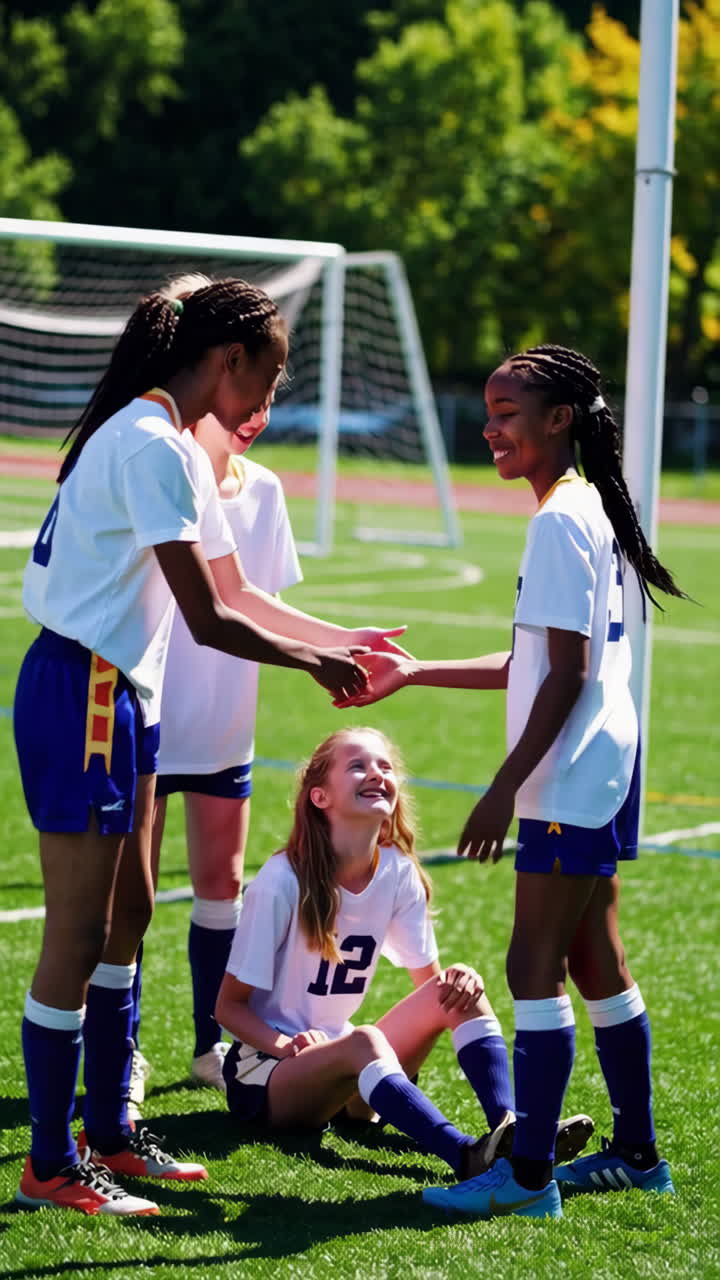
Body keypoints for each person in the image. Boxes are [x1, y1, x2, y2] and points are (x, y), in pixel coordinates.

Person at [12, 276, 395, 1216]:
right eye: (266, 378)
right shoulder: (151, 442)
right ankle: (52, 1161)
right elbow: (209, 612)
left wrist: (331, 643)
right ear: (226, 362)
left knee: (131, 913)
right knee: (78, 933)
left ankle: (109, 1130)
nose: (268, 402)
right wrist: (317, 660)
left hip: (122, 694)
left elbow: (216, 598)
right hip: (88, 691)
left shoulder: (162, 439)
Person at [339, 345, 682, 1219]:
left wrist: (501, 788)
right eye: (488, 411)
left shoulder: (560, 520)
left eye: (508, 412)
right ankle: (638, 1153)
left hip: (570, 772)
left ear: (560, 420)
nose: (491, 427)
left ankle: (527, 1179)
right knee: (592, 957)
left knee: (533, 966)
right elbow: (534, 663)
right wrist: (415, 674)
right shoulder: (583, 507)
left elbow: (561, 678)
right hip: (603, 763)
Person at [215, 726, 593, 1181]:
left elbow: (433, 992)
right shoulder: (281, 881)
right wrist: (287, 1044)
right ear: (320, 797)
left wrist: (457, 980)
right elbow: (228, 1008)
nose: (375, 773)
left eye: (384, 766)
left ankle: (511, 1129)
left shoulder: (397, 871)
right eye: (357, 765)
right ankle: (466, 1156)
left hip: (341, 1062)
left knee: (457, 988)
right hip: (267, 1073)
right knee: (366, 1040)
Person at [136, 400, 303, 1103]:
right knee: (129, 897)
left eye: (267, 401)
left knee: (220, 887)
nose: (255, 414)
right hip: (143, 710)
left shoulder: (264, 490)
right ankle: (128, 1045)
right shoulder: (157, 473)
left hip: (225, 723)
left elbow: (253, 600)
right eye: (243, 399)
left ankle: (212, 1043)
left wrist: (337, 641)